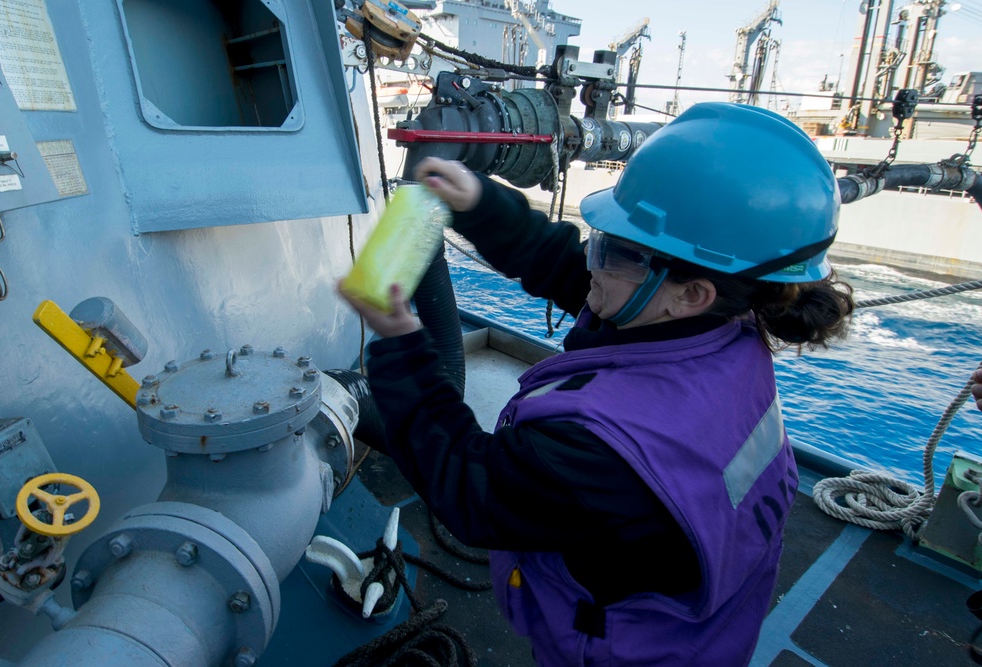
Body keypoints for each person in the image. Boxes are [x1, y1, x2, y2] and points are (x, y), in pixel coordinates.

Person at [337, 102, 855, 666]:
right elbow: (581, 275)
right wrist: (481, 205)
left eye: (612, 248)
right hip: (709, 619)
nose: (593, 257)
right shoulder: (730, 320)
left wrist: (400, 342)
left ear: (691, 292)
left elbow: (469, 488)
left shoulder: (610, 451)